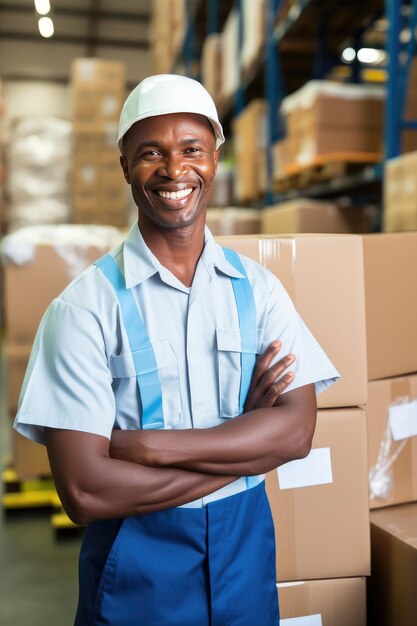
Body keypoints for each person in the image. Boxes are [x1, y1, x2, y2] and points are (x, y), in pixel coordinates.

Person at [14, 74, 339, 626]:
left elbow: (296, 433)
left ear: (216, 156)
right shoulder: (84, 310)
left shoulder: (258, 291)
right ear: (124, 167)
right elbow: (87, 491)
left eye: (192, 149)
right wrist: (244, 447)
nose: (174, 170)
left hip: (246, 564)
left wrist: (148, 447)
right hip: (137, 581)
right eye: (150, 153)